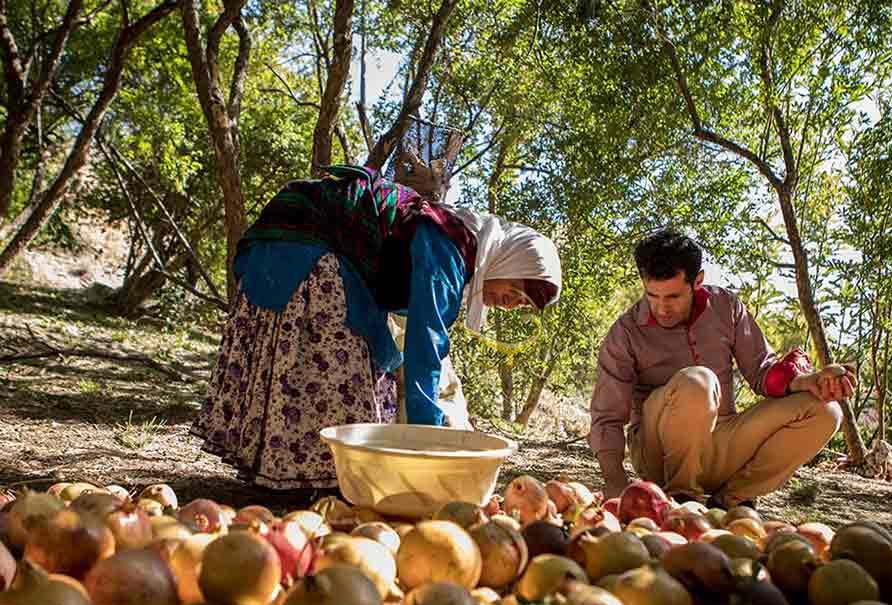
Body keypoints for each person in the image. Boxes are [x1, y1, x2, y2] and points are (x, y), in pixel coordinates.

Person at [192, 151, 561, 490]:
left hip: (308, 251)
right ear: (507, 263)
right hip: (305, 252)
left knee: (368, 375)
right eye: (514, 292)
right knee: (340, 372)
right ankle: (314, 481)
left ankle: (302, 478)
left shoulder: (455, 245)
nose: (509, 305)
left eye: (518, 305)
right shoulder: (450, 247)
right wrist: (428, 442)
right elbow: (425, 345)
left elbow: (417, 335)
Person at [589, 229, 854, 508]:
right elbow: (607, 417)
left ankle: (730, 500)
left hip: (724, 440)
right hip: (659, 455)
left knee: (826, 410)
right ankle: (683, 499)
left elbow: (763, 372)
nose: (661, 308)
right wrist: (615, 481)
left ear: (698, 282)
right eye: (652, 296)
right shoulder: (626, 332)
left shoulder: (726, 306)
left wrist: (810, 381)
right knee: (698, 380)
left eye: (673, 297)